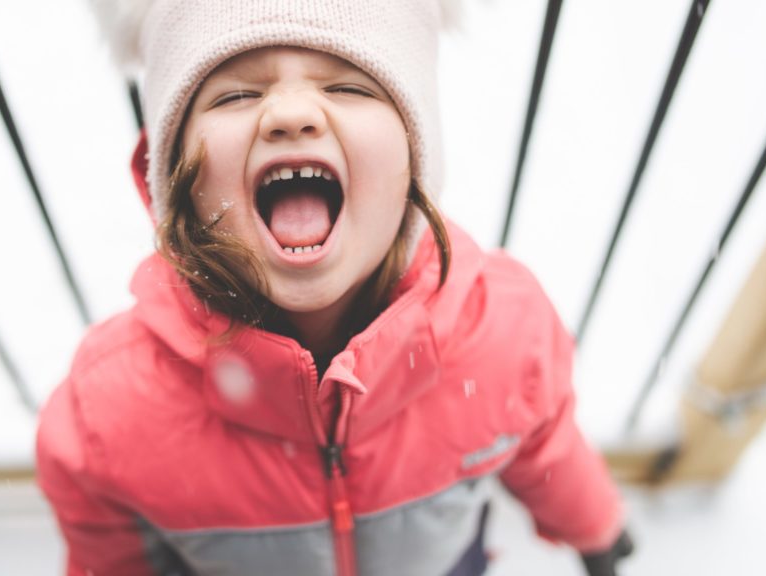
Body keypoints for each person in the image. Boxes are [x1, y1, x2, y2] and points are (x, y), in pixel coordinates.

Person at [36, 1, 634, 574]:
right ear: (173, 179)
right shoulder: (111, 411)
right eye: (238, 94)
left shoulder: (502, 332)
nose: (291, 114)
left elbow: (547, 449)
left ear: (414, 157)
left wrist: (596, 525)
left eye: (348, 87)